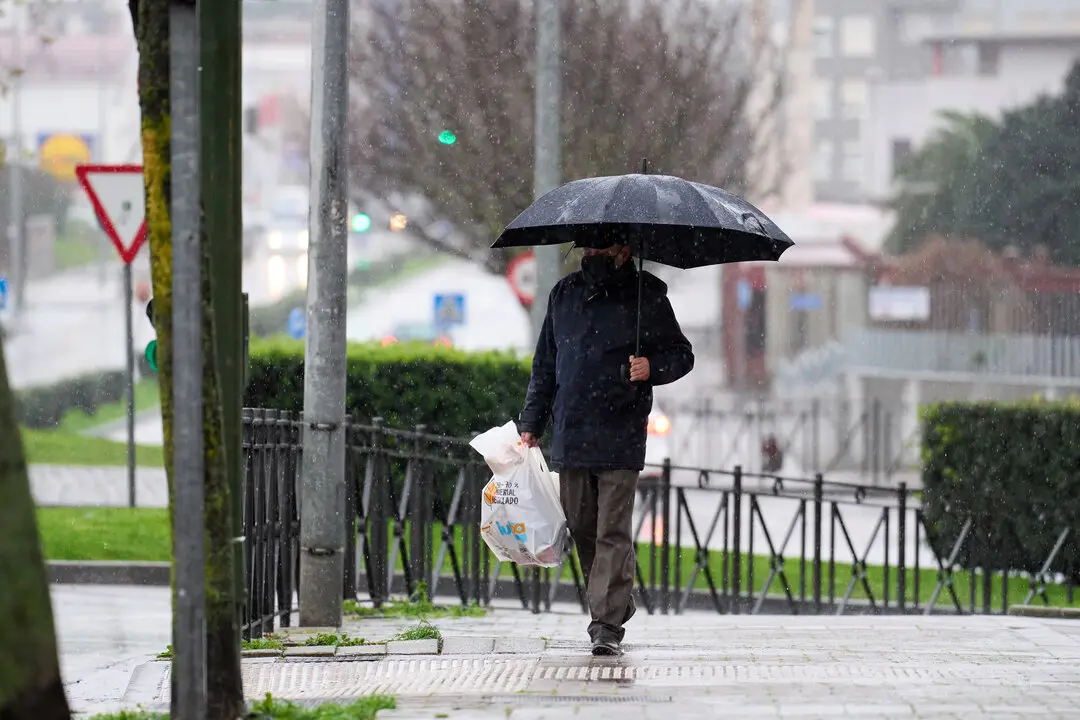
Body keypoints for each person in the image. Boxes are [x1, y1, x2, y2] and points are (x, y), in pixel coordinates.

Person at [518, 242, 694, 656]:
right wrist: (532, 422)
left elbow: (681, 354)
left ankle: (606, 623)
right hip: (571, 430)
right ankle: (617, 598)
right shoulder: (564, 293)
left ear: (623, 248)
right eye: (589, 244)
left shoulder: (646, 294)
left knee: (612, 530)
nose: (594, 251)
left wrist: (652, 367)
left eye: (604, 244)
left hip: (621, 429)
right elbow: (546, 364)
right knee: (581, 525)